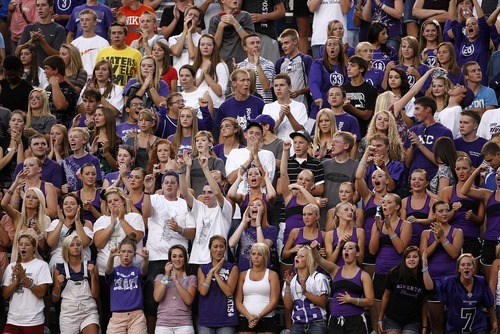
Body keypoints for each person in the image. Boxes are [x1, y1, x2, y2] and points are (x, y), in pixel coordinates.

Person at [93, 187, 145, 332]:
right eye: (110, 202)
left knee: (134, 313)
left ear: (123, 201)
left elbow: (136, 237)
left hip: (132, 273)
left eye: (116, 200)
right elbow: (98, 243)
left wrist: (121, 219)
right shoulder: (102, 220)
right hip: (107, 273)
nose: (113, 204)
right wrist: (112, 223)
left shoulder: (134, 217)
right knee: (108, 312)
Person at [369, 193, 412, 333]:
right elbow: (372, 250)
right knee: (377, 308)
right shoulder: (377, 224)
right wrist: (377, 229)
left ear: (397, 206)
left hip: (398, 273)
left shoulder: (405, 225)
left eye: (388, 202)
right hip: (381, 272)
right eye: (383, 203)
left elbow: (401, 248)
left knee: (395, 308)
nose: (384, 205)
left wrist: (390, 229)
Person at [310, 239, 374, 333]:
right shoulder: (335, 270)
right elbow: (318, 259)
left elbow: (370, 301)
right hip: (336, 318)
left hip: (355, 320)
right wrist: (313, 248)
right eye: (344, 248)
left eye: (350, 248)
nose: (346, 250)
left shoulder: (364, 275)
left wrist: (352, 300)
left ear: (357, 254)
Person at [423, 253, 498, 334]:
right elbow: (429, 287)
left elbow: (489, 304)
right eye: (463, 265)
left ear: (474, 268)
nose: (466, 267)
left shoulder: (481, 282)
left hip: (477, 329)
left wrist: (494, 322)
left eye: (469, 264)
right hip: (455, 330)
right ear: (458, 269)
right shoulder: (450, 282)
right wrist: (424, 267)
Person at [420, 200, 464, 334]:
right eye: (441, 211)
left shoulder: (457, 231)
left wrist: (442, 238)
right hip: (433, 281)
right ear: (434, 215)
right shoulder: (426, 233)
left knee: (454, 320)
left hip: (452, 280)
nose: (445, 213)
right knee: (436, 320)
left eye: (447, 210)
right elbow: (423, 255)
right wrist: (436, 242)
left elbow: (455, 254)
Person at [2, 234, 52, 333]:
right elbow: (4, 295)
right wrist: (16, 281)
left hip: (34, 320)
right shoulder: (11, 267)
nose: (23, 247)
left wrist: (24, 278)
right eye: (20, 244)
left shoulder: (42, 265)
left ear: (34, 248)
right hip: (13, 319)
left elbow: (41, 293)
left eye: (27, 244)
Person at [51, 235, 100, 334]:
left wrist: (93, 276)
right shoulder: (59, 269)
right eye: (72, 245)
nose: (76, 247)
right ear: (66, 248)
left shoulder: (90, 266)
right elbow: (54, 299)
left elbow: (95, 294)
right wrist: (57, 286)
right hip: (69, 313)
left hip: (88, 310)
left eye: (78, 245)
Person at [377, 246, 431, 334]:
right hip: (392, 319)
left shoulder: (423, 277)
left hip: (412, 321)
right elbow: (386, 296)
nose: (411, 259)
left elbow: (425, 302)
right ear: (404, 259)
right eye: (408, 257)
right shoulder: (394, 273)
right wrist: (380, 319)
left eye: (415, 257)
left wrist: (424, 326)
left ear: (419, 259)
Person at [442, 155, 485, 262]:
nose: (461, 172)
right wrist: (453, 211)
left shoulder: (480, 192)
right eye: (458, 169)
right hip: (452, 238)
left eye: (464, 168)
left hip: (472, 237)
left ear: (471, 169)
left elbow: (481, 220)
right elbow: (443, 218)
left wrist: (472, 217)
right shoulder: (447, 191)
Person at [462, 164, 500, 281]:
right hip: (490, 241)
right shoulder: (488, 194)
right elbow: (465, 190)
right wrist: (476, 171)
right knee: (490, 282)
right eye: (498, 173)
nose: (499, 176)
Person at [106, 234, 149, 333]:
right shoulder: (114, 271)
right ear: (119, 253)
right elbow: (108, 271)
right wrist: (111, 257)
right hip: (117, 317)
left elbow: (144, 270)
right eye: (123, 251)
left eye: (130, 252)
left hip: (136, 316)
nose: (126, 255)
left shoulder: (137, 271)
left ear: (134, 255)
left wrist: (145, 259)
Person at [404, 96, 453, 181]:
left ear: (428, 110)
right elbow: (407, 164)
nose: (414, 113)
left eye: (417, 109)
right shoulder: (413, 131)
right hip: (414, 180)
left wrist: (420, 145)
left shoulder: (444, 132)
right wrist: (412, 147)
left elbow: (442, 163)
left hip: (434, 180)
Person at [282, 245, 329, 334]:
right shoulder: (290, 280)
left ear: (309, 260)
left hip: (317, 323)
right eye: (297, 255)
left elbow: (323, 303)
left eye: (302, 256)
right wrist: (287, 286)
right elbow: (288, 306)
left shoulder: (318, 278)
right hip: (297, 323)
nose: (297, 257)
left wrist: (306, 293)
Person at [197, 235, 240, 333]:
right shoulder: (202, 269)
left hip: (226, 319)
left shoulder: (232, 267)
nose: (218, 250)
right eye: (215, 246)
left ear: (225, 249)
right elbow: (203, 291)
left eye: (221, 246)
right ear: (210, 248)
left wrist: (216, 274)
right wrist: (210, 273)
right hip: (206, 320)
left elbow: (229, 292)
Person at [235, 242, 280, 333]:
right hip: (245, 318)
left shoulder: (272, 275)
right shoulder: (243, 275)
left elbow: (274, 301)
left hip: (267, 318)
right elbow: (238, 301)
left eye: (259, 254)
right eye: (253, 254)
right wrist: (249, 317)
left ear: (265, 257)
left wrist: (259, 316)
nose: (256, 257)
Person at [153, 244, 197, 333]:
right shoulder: (160, 277)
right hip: (163, 324)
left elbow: (188, 300)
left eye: (181, 256)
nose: (177, 259)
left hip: (184, 325)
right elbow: (157, 297)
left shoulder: (191, 278)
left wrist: (176, 281)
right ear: (170, 260)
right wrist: (166, 276)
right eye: (174, 256)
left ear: (185, 259)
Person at [228, 198, 278, 272]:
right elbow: (231, 244)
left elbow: (263, 248)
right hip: (243, 271)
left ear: (263, 210)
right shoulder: (242, 228)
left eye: (258, 205)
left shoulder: (271, 229)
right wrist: (243, 222)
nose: (255, 207)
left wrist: (258, 225)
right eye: (252, 205)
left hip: (262, 272)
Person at [214, 69, 265, 140]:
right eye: (242, 80)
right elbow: (219, 133)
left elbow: (265, 129)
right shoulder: (225, 107)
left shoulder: (259, 103)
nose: (246, 84)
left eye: (248, 80)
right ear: (234, 83)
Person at [46, 194, 93, 269]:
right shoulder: (56, 222)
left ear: (78, 207)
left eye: (72, 204)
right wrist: (61, 222)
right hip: (59, 261)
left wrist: (77, 221)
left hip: (80, 262)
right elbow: (51, 243)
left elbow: (84, 243)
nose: (68, 206)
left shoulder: (86, 223)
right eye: (65, 204)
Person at [308, 36, 347, 126]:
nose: (332, 47)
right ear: (325, 49)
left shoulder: (344, 68)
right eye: (329, 45)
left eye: (335, 45)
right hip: (320, 107)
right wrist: (317, 97)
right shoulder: (318, 64)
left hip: (338, 110)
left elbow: (347, 86)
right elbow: (314, 82)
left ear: (340, 49)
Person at [15, 0, 66, 67]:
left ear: (51, 9)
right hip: (31, 71)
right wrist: (30, 41)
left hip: (50, 72)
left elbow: (58, 56)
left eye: (43, 5)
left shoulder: (59, 29)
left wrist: (42, 41)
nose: (40, 8)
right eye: (38, 5)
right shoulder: (29, 28)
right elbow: (17, 52)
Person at [208, 0, 254, 71]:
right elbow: (214, 47)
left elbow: (250, 42)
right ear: (223, 1)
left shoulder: (245, 16)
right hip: (222, 64)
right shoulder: (215, 19)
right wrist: (220, 27)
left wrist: (235, 23)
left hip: (243, 63)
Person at [275, 28, 313, 111]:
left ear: (295, 42)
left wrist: (299, 92)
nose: (284, 46)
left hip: (302, 105)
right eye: (282, 44)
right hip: (284, 106)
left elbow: (313, 84)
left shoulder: (305, 59)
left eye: (286, 43)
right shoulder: (280, 62)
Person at [96, 21, 142, 87]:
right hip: (106, 93)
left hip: (126, 94)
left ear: (125, 36)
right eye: (113, 33)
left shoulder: (136, 54)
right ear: (110, 36)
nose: (117, 36)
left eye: (120, 33)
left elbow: (142, 76)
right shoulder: (102, 53)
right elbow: (96, 75)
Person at [193, 34, 230, 111]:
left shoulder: (221, 65)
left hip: (215, 106)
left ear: (214, 47)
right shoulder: (194, 65)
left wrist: (207, 74)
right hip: (197, 106)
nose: (205, 47)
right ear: (199, 47)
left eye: (209, 45)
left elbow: (219, 92)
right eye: (202, 44)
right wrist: (202, 75)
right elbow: (192, 87)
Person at [70, 8, 111, 78]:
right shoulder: (74, 43)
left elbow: (107, 65)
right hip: (79, 79)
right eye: (82, 20)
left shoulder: (103, 43)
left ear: (95, 22)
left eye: (87, 20)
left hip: (97, 79)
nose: (84, 23)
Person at [237, 33, 276, 104]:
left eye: (258, 42)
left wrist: (258, 65)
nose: (256, 45)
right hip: (246, 105)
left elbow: (266, 87)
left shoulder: (268, 64)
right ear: (245, 48)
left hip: (265, 105)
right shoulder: (240, 67)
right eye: (252, 43)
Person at [401, 169, 436, 247]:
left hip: (427, 241)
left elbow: (431, 220)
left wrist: (417, 220)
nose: (416, 181)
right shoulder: (404, 202)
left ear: (427, 183)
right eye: (413, 179)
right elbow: (402, 224)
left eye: (420, 179)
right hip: (409, 241)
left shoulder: (432, 201)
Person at [62, 127, 102, 192]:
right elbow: (63, 182)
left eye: (76, 137)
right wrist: (64, 187)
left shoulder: (93, 160)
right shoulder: (66, 161)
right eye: (70, 137)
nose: (72, 139)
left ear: (84, 140)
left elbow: (95, 185)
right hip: (71, 198)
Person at [324, 202, 365, 266]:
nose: (350, 212)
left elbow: (360, 260)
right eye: (346, 210)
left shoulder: (359, 232)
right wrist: (339, 247)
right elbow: (329, 263)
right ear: (338, 213)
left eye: (352, 210)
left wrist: (351, 246)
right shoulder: (329, 235)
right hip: (336, 272)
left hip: (353, 272)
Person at [43, 55, 78, 128]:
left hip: (62, 130)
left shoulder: (69, 90)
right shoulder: (48, 88)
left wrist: (55, 84)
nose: (44, 72)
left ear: (56, 70)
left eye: (47, 68)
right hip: (46, 129)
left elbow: (60, 106)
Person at [89, 105, 123, 176]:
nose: (96, 118)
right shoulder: (90, 136)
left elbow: (117, 168)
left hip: (109, 178)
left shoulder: (116, 140)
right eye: (95, 115)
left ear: (108, 118)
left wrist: (107, 153)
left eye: (100, 115)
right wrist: (92, 153)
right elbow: (83, 163)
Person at [168, 6, 202, 71]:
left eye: (195, 16)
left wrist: (189, 32)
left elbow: (193, 55)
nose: (192, 17)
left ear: (198, 22)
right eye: (190, 15)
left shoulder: (201, 38)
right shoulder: (173, 38)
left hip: (193, 73)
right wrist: (185, 31)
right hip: (177, 74)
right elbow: (176, 52)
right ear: (185, 18)